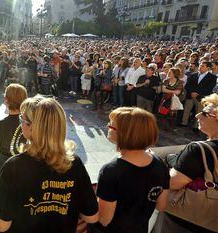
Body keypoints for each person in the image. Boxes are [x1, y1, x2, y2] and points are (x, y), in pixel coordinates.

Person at [0, 96, 99, 233]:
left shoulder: (14, 167)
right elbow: (92, 217)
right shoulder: (74, 164)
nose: (20, 123)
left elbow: (1, 225)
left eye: (22, 120)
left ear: (32, 128)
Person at [89, 107, 170, 233]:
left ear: (125, 134)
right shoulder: (159, 164)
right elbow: (161, 206)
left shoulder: (111, 171)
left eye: (111, 125)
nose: (107, 126)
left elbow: (104, 219)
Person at [157, 93, 218, 233]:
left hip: (187, 220)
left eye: (205, 113)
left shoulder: (198, 149)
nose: (197, 116)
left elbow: (172, 182)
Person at [0, 84, 28, 184]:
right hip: (23, 170)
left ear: (6, 100)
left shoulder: (0, 125)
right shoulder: (30, 123)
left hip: (3, 170)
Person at [181, 61, 217, 130]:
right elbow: (187, 86)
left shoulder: (212, 77)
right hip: (190, 96)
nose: (200, 67)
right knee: (186, 109)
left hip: (201, 97)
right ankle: (184, 123)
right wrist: (192, 92)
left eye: (203, 66)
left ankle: (196, 127)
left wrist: (197, 93)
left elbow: (209, 88)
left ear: (208, 68)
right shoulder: (193, 75)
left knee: (199, 112)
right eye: (200, 65)